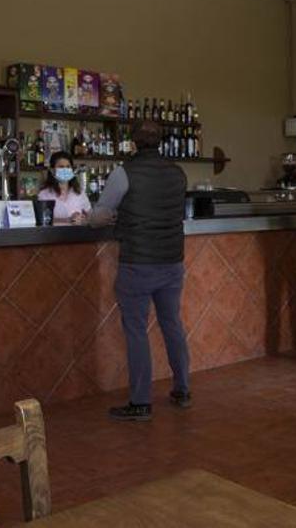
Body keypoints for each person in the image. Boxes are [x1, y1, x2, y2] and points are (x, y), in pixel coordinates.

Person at [89, 121, 191, 421]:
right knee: (172, 323)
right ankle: (182, 389)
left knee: (136, 330)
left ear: (133, 142)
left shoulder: (124, 173)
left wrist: (102, 216)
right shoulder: (177, 172)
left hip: (138, 263)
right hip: (172, 261)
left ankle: (140, 401)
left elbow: (99, 216)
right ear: (162, 141)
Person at [36, 151, 90, 224]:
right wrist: (68, 220)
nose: (65, 170)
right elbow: (42, 220)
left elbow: (91, 217)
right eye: (61, 167)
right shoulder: (44, 194)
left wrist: (83, 220)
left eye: (68, 167)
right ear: (52, 170)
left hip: (78, 234)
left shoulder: (79, 193)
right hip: (53, 235)